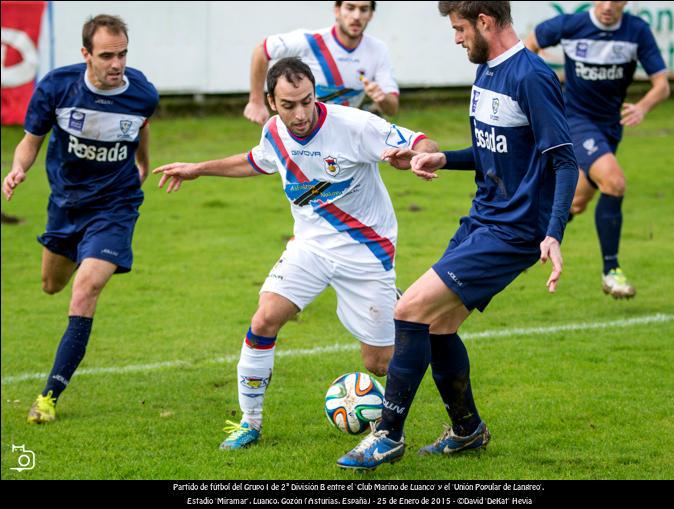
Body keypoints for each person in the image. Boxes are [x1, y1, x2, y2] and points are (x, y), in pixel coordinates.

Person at [337, 1, 579, 471]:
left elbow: (564, 159)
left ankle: (387, 436)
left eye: (460, 28)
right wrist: (443, 158)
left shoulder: (530, 77)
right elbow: (500, 148)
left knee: (408, 310)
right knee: (438, 325)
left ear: (485, 22)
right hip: (483, 218)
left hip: (514, 231)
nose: (456, 38)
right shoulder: (487, 70)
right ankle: (467, 430)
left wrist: (553, 233)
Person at [153, 57, 437, 450]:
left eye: (306, 101)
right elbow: (256, 161)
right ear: (271, 101)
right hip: (310, 247)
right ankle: (249, 423)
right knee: (265, 318)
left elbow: (419, 141)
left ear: (314, 93)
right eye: (289, 105)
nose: (300, 113)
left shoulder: (354, 125)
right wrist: (198, 168)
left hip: (365, 253)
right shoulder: (275, 132)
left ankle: (409, 319)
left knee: (379, 364)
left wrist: (421, 158)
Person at [2, 15, 159, 424]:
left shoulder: (142, 92)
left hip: (116, 205)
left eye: (123, 54)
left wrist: (143, 164)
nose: (117, 63)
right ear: (86, 54)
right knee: (52, 285)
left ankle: (49, 396)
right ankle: (80, 253)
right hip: (67, 205)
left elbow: (141, 128)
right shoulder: (57, 87)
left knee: (86, 288)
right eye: (107, 55)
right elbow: (30, 142)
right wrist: (18, 169)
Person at [526, 1, 670, 299]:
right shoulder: (571, 25)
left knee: (575, 203)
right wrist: (537, 91)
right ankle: (611, 271)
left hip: (609, 128)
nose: (607, 6)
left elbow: (662, 85)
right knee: (614, 182)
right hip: (574, 120)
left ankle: (523, 245)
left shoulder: (636, 31)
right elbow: (530, 45)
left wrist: (643, 106)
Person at [243, 1, 399, 125]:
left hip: (348, 130)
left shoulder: (378, 50)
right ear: (337, 10)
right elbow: (262, 50)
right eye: (350, 8)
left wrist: (382, 98)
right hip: (305, 128)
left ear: (371, 14)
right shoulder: (310, 40)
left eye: (364, 9)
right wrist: (256, 101)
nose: (356, 16)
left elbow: (392, 108)